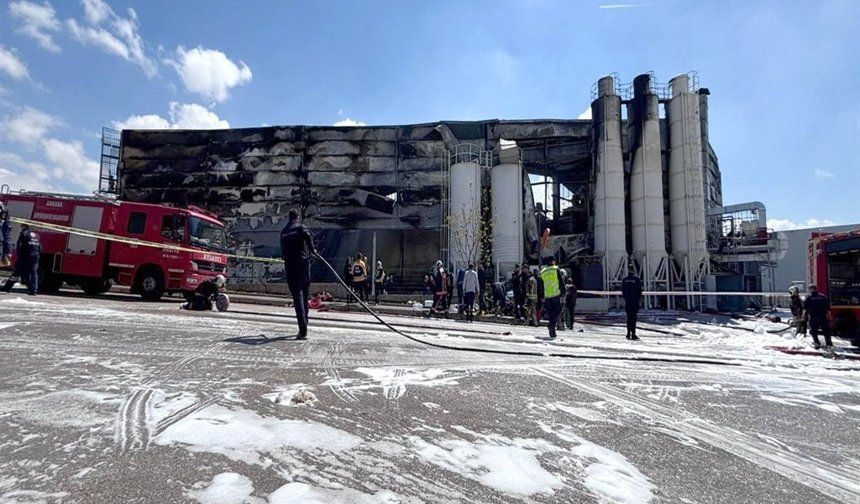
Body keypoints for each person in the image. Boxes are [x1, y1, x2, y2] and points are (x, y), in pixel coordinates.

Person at [280, 209, 316, 340]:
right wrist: (312, 250)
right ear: (298, 217)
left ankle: (302, 329)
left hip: (290, 266)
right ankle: (304, 323)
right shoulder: (300, 227)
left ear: (289, 218)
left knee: (297, 297)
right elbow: (308, 236)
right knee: (305, 294)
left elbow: (283, 252)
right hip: (303, 264)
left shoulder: (284, 232)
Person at [2, 224, 41, 295]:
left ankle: (7, 287)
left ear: (24, 226)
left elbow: (20, 247)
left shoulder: (23, 234)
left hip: (26, 256)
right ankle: (33, 290)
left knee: (18, 272)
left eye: (22, 226)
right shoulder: (36, 235)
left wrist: (19, 259)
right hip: (35, 256)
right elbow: (40, 247)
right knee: (33, 273)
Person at [540, 256, 564, 339]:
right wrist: (563, 292)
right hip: (555, 294)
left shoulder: (543, 271)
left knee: (550, 314)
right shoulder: (555, 269)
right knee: (557, 312)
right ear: (553, 261)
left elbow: (540, 285)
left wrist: (542, 296)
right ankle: (551, 326)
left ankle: (552, 330)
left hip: (547, 295)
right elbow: (561, 281)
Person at [803, 284, 833, 350]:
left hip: (813, 316)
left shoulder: (809, 298)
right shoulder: (823, 297)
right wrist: (830, 317)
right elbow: (828, 308)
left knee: (814, 331)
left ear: (810, 289)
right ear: (816, 289)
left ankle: (817, 343)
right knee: (826, 330)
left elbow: (805, 308)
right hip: (823, 316)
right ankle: (829, 344)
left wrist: (804, 315)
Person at [621, 266, 643, 340]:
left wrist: (626, 299)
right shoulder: (636, 279)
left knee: (628, 318)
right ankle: (633, 334)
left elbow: (623, 291)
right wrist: (638, 300)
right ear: (633, 270)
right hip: (634, 301)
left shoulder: (624, 279)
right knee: (633, 318)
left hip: (628, 301)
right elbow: (639, 291)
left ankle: (628, 334)